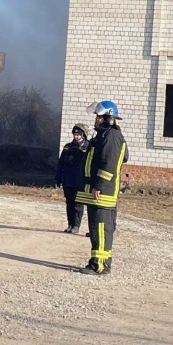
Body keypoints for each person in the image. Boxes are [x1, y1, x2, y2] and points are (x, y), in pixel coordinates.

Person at [76, 101, 128, 276]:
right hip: (97, 190)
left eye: (98, 117)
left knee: (100, 227)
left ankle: (100, 265)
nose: (96, 120)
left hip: (103, 191)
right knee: (96, 227)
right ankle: (97, 262)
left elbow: (109, 164)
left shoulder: (111, 136)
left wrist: (99, 185)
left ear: (108, 117)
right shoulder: (104, 135)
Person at [56, 123, 92, 234]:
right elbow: (61, 163)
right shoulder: (68, 147)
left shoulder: (87, 147)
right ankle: (70, 224)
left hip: (79, 181)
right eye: (74, 134)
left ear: (83, 135)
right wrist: (58, 177)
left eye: (78, 134)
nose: (76, 136)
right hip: (68, 180)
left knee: (78, 204)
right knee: (69, 203)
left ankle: (76, 225)